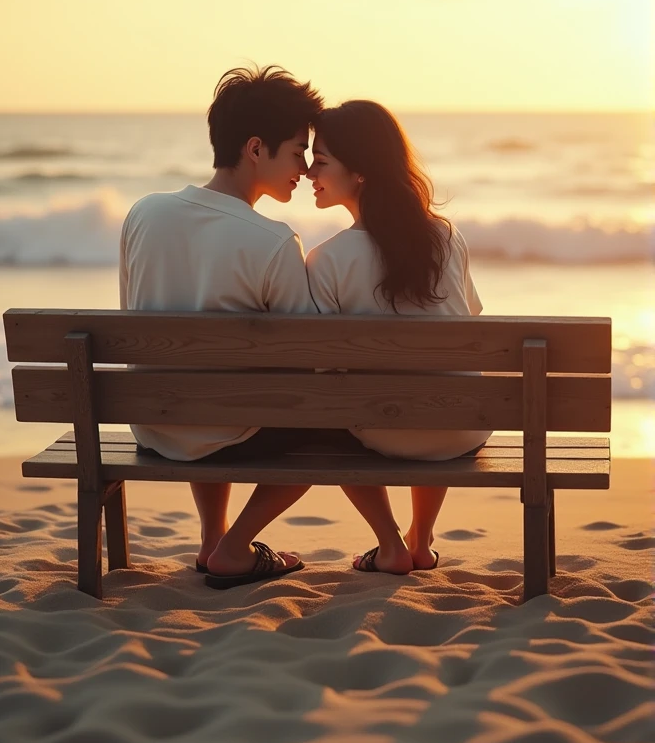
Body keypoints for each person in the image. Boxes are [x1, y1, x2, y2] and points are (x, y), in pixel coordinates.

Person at [120, 65, 324, 588]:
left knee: (208, 391)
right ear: (256, 148)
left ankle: (213, 536)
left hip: (153, 423)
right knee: (327, 420)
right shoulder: (273, 241)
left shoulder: (143, 214)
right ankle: (234, 545)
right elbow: (311, 361)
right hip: (226, 428)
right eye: (298, 150)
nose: (303, 167)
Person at [305, 100, 490, 574]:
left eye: (321, 160)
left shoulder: (326, 260)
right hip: (462, 427)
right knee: (439, 386)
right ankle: (421, 539)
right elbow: (470, 323)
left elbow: (322, 369)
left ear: (361, 171)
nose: (309, 171)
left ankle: (389, 543)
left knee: (331, 411)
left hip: (382, 427)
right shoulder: (445, 237)